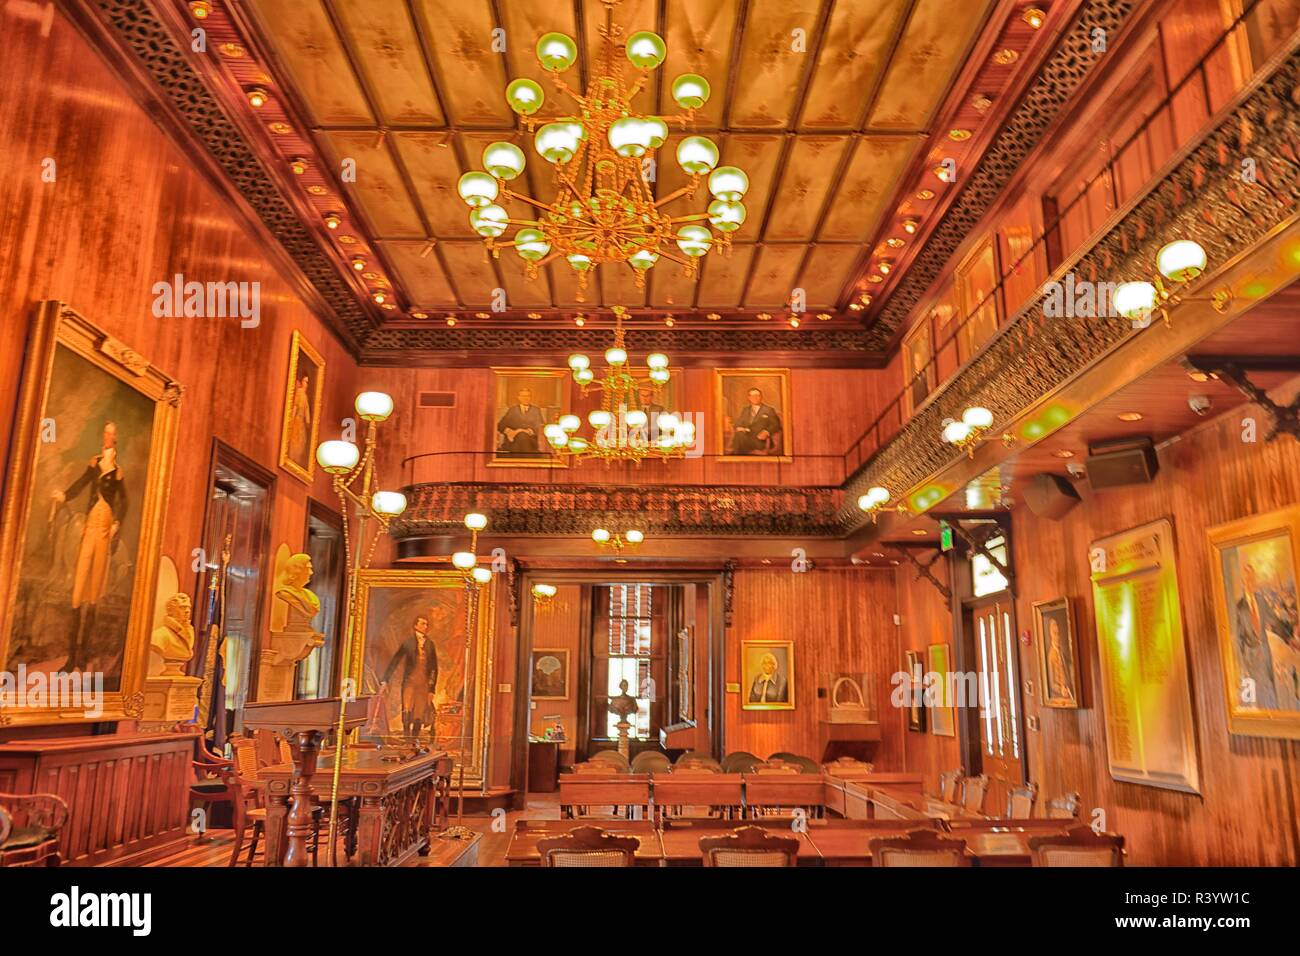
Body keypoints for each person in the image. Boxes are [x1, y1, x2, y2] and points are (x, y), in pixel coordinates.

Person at [51, 421, 127, 671]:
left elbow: (123, 502)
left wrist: (117, 522)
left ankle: (82, 656)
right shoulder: (94, 463)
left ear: (115, 439)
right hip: (90, 528)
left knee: (94, 592)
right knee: (78, 590)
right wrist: (64, 495)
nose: (106, 437)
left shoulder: (117, 471)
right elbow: (82, 483)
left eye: (110, 434)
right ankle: (72, 657)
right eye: (104, 433)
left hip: (105, 532)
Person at [381, 614, 439, 738]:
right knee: (407, 709)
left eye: (427, 624)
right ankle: (407, 738)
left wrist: (432, 689)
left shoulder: (430, 644)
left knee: (419, 713)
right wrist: (385, 679)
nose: (425, 626)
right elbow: (395, 660)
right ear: (415, 626)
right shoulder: (408, 643)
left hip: (423, 684)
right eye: (423, 623)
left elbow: (434, 668)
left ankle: (414, 740)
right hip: (410, 682)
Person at [1234, 560, 1281, 710]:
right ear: (1243, 581)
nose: (1250, 581)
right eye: (1247, 578)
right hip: (1251, 657)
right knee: (1258, 696)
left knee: (1271, 690)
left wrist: (1292, 633)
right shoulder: (1240, 607)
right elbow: (1239, 638)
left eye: (1252, 577)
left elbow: (1275, 620)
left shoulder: (1261, 600)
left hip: (1265, 653)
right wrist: (1242, 665)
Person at [729, 387, 782, 455]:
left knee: (739, 440)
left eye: (757, 395)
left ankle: (736, 457)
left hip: (760, 440)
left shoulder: (769, 410)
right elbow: (738, 422)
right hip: (745, 437)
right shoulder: (745, 410)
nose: (755, 398)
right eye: (753, 396)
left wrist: (766, 432)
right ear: (749, 398)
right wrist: (739, 427)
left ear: (761, 397)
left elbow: (776, 424)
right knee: (739, 435)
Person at [496, 387, 547, 456]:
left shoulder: (536, 410)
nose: (526, 398)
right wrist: (509, 432)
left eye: (528, 396)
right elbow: (500, 425)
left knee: (522, 436)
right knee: (519, 440)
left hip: (530, 441)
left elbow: (540, 426)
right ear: (518, 397)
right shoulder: (512, 410)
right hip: (513, 440)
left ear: (530, 397)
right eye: (523, 396)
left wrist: (522, 431)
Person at [1045, 615, 1075, 703]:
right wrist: (1061, 689)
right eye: (1055, 633)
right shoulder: (1051, 656)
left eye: (1058, 633)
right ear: (1051, 635)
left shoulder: (1061, 653)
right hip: (1059, 697)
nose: (1057, 637)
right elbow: (1051, 683)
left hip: (1068, 693)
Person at [287, 373, 312, 463]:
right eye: (305, 381)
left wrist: (307, 421)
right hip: (297, 420)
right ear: (301, 382)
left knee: (302, 441)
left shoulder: (305, 396)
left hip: (301, 421)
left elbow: (306, 410)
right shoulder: (299, 393)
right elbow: (295, 406)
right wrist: (292, 419)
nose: (306, 384)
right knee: (296, 439)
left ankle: (296, 459)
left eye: (307, 382)